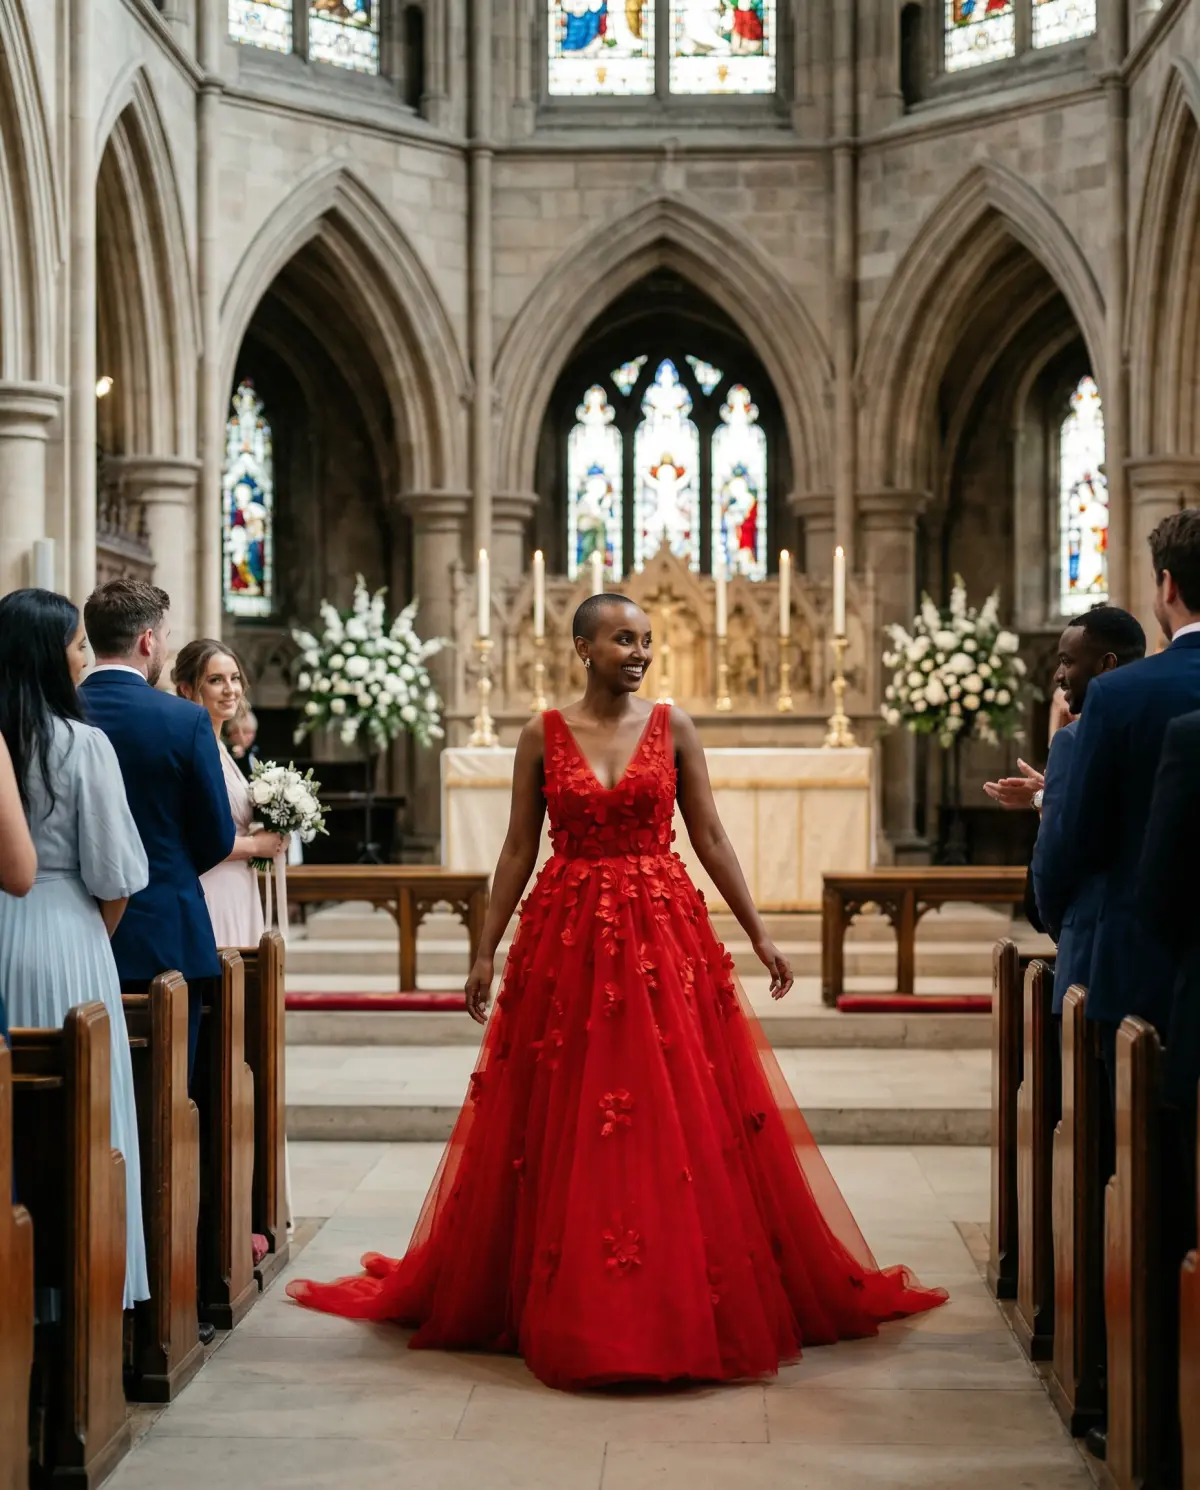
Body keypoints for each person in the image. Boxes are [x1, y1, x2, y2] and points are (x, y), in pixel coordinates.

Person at [287, 593, 947, 1391]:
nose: (638, 653)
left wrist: (760, 930)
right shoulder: (541, 732)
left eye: (645, 641)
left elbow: (709, 835)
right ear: (582, 648)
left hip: (663, 936)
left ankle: (678, 1288)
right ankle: (560, 1291)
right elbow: (516, 849)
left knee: (675, 1104)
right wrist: (484, 951)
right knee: (564, 1107)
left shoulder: (675, 726)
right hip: (564, 938)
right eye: (621, 640)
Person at [0, 588, 150, 1308]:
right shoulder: (81, 743)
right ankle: (84, 1297)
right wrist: (91, 935)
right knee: (81, 1124)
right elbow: (117, 876)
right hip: (65, 933)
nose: (85, 655)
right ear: (50, 656)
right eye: (77, 643)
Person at [1033, 509, 1200, 1082]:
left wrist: (1062, 923)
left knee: (1135, 1155)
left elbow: (1072, 841)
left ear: (1168, 585)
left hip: (1135, 968)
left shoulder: (1119, 694)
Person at [80, 581, 236, 1082]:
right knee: (167, 1090)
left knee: (85, 1087)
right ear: (148, 641)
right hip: (166, 935)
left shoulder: (62, 713)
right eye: (165, 636)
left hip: (78, 926)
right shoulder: (184, 720)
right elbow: (216, 834)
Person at [1029, 607, 1147, 1013]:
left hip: (1091, 950)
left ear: (1106, 665)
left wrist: (1065, 925)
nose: (1059, 676)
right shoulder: (1171, 725)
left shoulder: (1073, 740)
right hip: (1163, 955)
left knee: (1086, 1068)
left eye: (1066, 661)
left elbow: (1053, 860)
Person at [172, 642, 285, 949]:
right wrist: (255, 844)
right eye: (215, 680)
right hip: (212, 885)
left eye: (234, 678)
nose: (230, 689)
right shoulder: (190, 748)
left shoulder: (220, 746)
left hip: (239, 883)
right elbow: (193, 837)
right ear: (185, 689)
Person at [225, 708, 260, 780]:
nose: (242, 736)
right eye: (236, 732)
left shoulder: (255, 750)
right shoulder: (228, 752)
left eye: (247, 732)